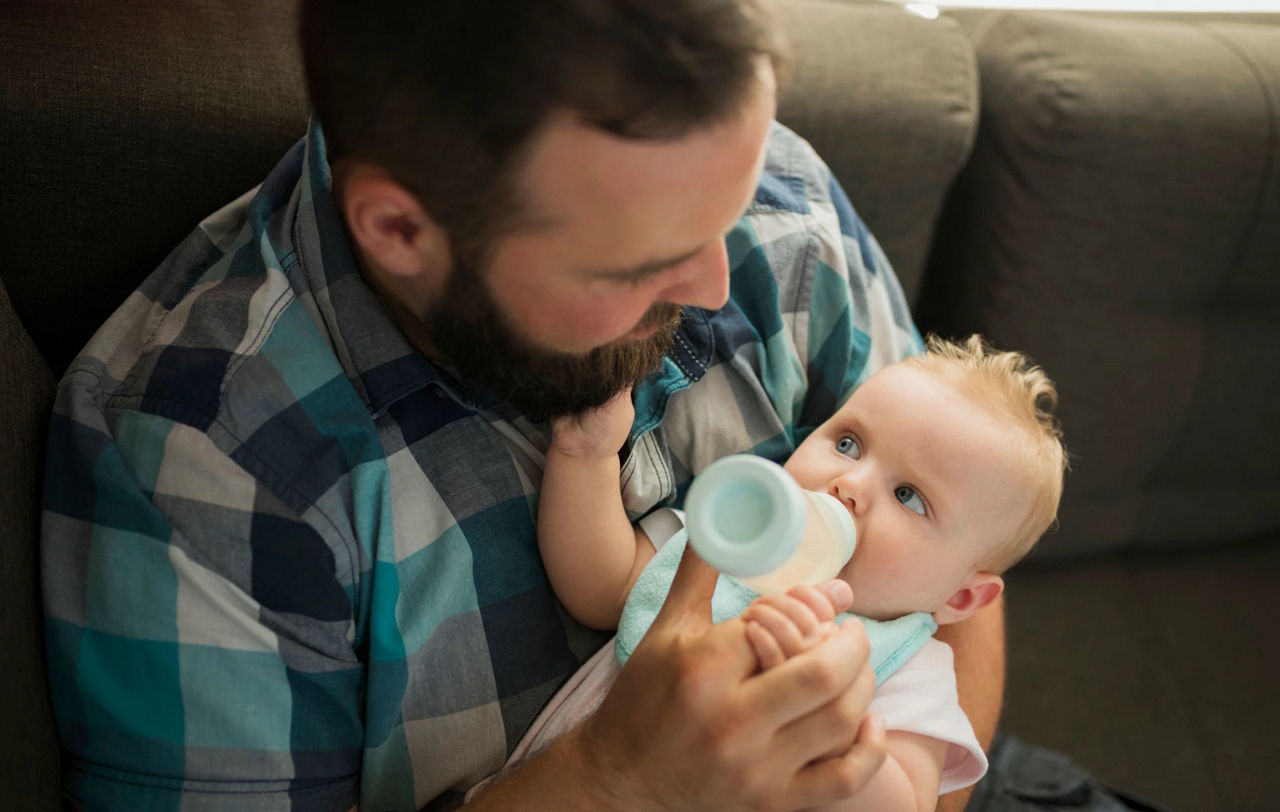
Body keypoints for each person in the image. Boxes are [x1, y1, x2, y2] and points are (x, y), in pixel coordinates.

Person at [39, 1, 1005, 810]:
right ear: (403, 230)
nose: (718, 282)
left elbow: (966, 552)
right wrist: (617, 777)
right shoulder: (204, 468)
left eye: (731, 207)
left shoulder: (777, 201)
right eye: (638, 261)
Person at [501, 335, 1067, 810]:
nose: (849, 484)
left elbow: (903, 802)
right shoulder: (727, 541)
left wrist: (824, 710)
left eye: (909, 496)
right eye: (848, 443)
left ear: (963, 599)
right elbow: (601, 588)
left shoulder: (909, 670)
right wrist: (585, 456)